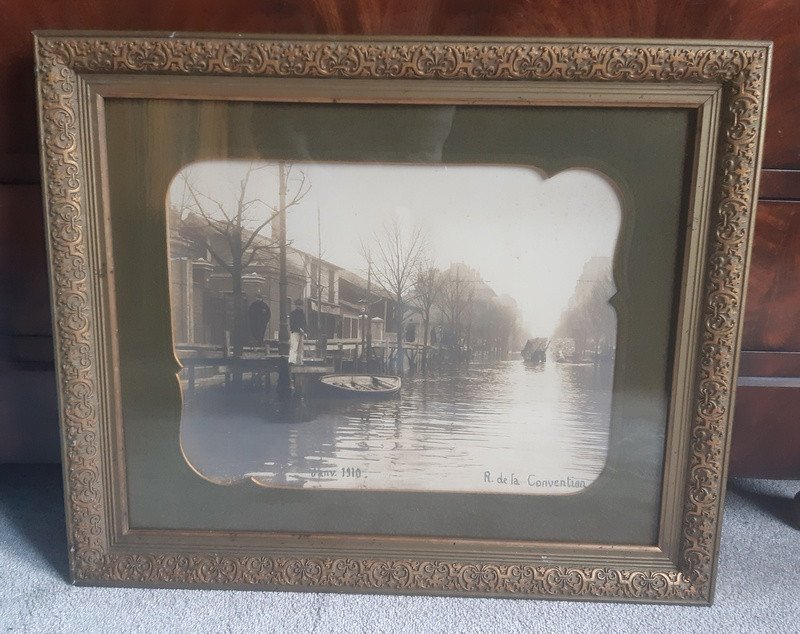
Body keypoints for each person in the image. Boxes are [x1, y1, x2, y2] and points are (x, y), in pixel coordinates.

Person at [288, 298, 306, 365]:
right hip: (295, 332)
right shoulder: (293, 313)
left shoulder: (301, 314)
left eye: (300, 305)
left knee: (300, 348)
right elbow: (293, 323)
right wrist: (300, 329)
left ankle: (300, 361)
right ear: (296, 305)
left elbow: (304, 323)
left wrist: (304, 330)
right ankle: (292, 361)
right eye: (298, 305)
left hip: (301, 332)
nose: (299, 306)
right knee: (294, 347)